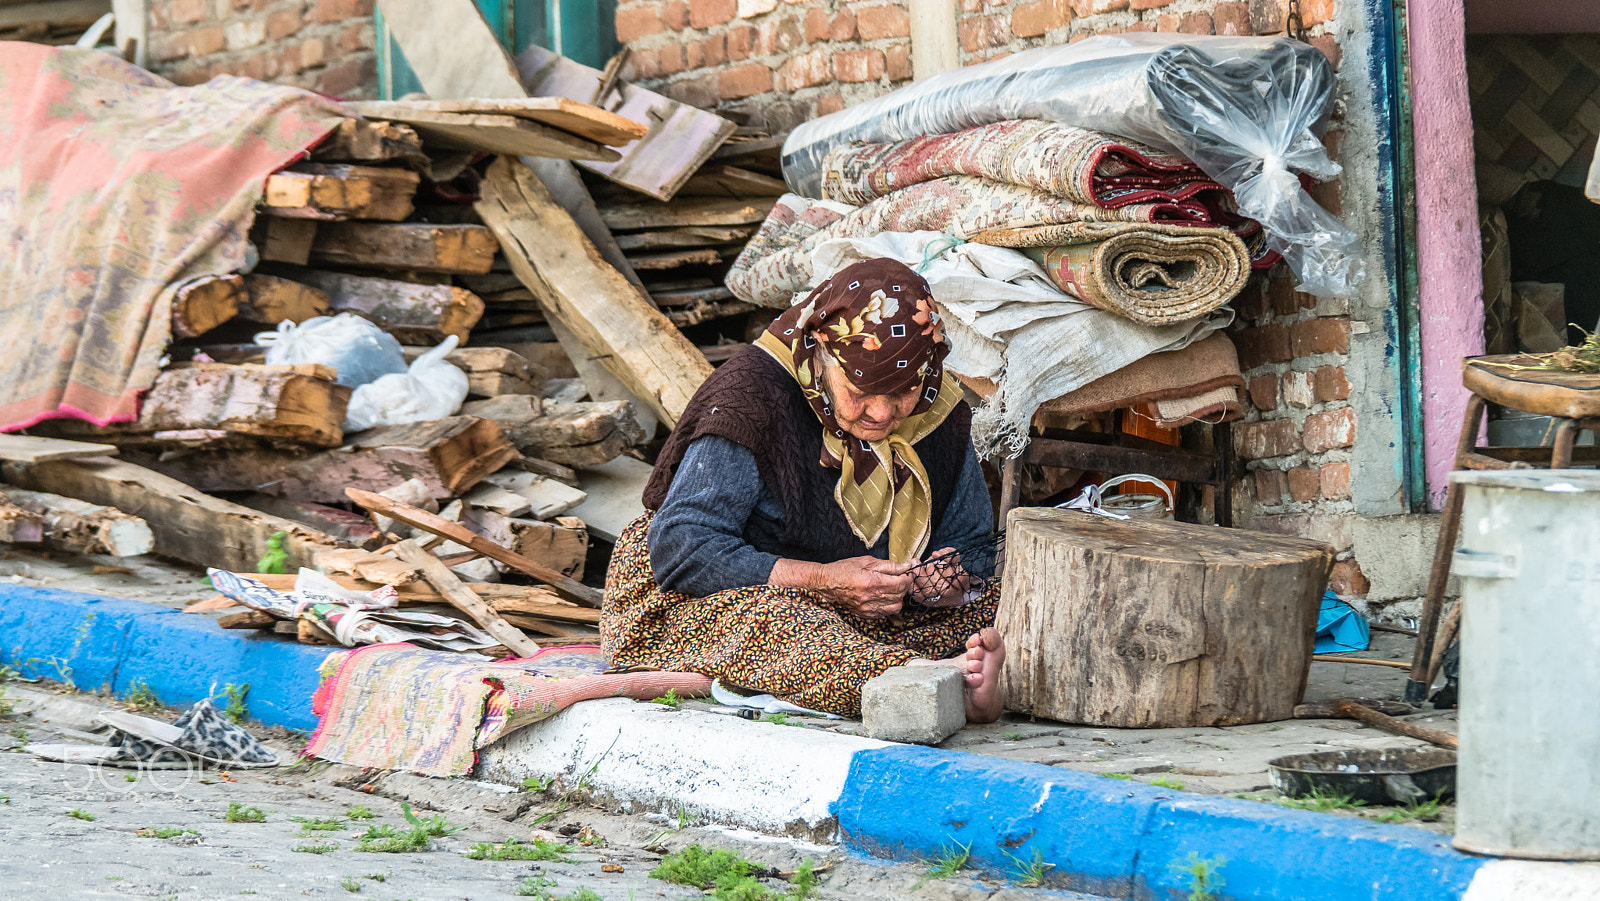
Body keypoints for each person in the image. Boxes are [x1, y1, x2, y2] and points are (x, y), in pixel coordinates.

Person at [600, 258, 1005, 721]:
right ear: (820, 353)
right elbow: (683, 550)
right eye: (860, 391)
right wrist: (824, 580)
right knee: (781, 627)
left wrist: (942, 584)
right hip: (716, 596)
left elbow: (971, 545)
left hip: (868, 614)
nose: (880, 413)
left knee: (1003, 606)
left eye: (901, 395)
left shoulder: (940, 410)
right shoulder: (752, 397)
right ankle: (928, 681)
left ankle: (942, 674)